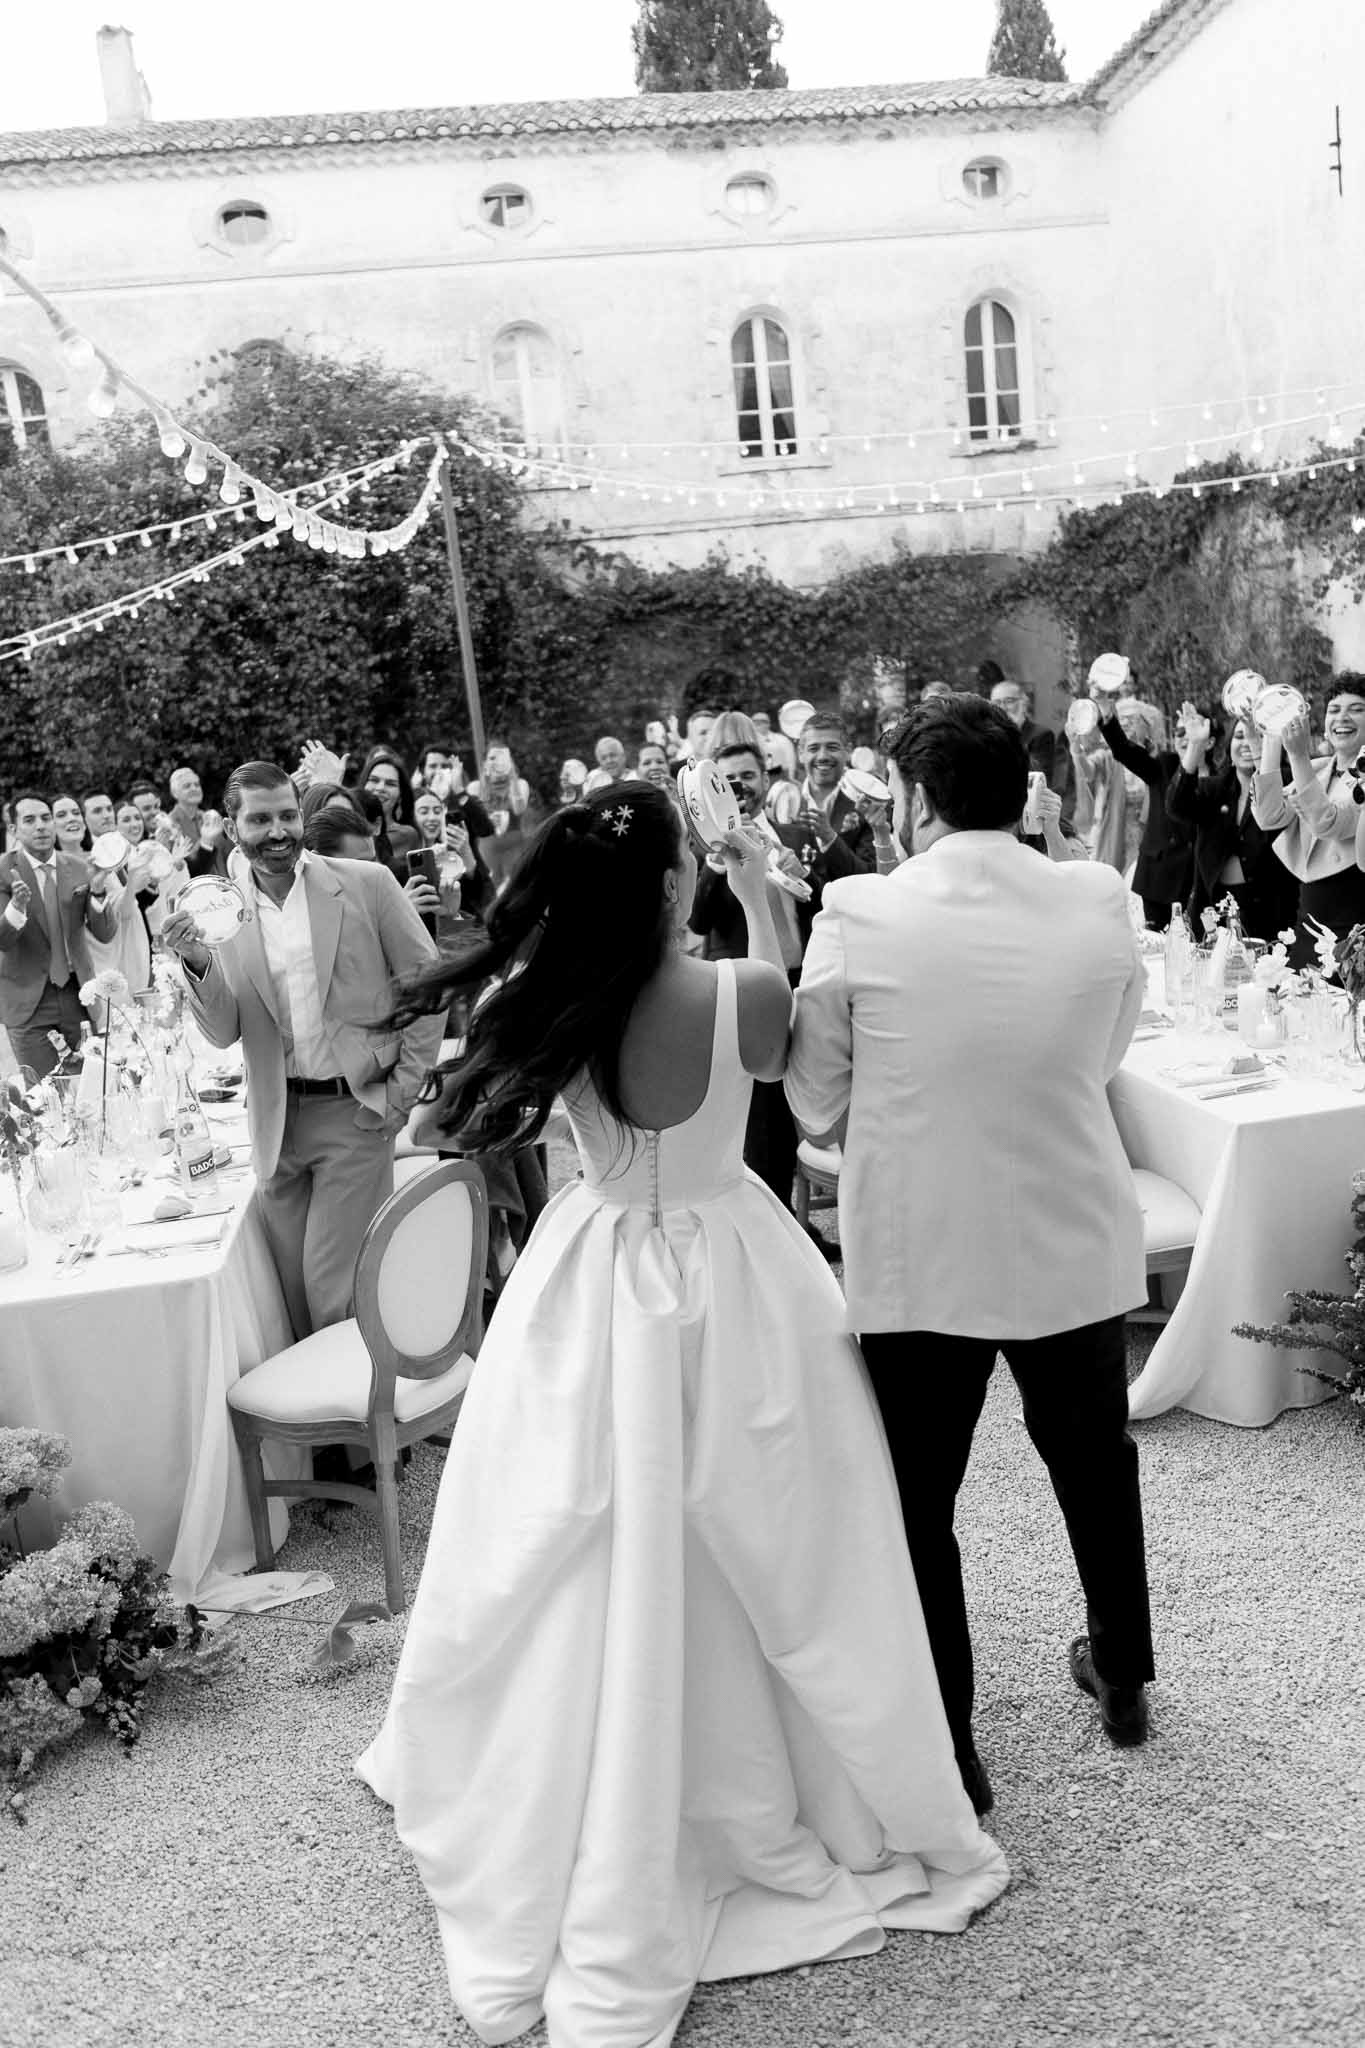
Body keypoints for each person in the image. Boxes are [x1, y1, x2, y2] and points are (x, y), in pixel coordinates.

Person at [354, 781, 1007, 2048]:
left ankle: (584, 1753)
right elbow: (793, 1063)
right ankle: (782, 1763)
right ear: (670, 882)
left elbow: (468, 1121)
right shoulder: (741, 990)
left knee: (578, 1516)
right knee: (786, 1523)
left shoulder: (540, 995)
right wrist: (758, 893)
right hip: (736, 1269)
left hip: (594, 1266)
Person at [786, 696, 1156, 1810]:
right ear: (1015, 794)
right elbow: (1103, 1054)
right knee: (1095, 1464)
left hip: (920, 1251)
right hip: (1067, 1230)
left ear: (915, 800)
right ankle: (1124, 1676)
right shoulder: (1099, 897)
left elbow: (812, 1097)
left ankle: (954, 1750)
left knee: (919, 1503)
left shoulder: (859, 908)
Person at [159, 762, 444, 1338]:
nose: (278, 831)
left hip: (355, 1112)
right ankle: (324, 1397)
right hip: (275, 1124)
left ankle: (363, 1395)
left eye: (288, 815)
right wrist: (195, 960)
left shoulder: (367, 884)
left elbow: (429, 988)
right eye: (260, 819)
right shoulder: (221, 911)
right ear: (232, 828)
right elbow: (224, 1032)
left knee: (331, 1290)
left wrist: (399, 1094)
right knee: (291, 1294)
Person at [690, 726, 859, 1224]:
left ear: (766, 778)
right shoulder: (708, 850)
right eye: (728, 780)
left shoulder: (795, 836)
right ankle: (770, 1224)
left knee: (800, 1107)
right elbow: (698, 921)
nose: (739, 786)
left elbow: (826, 905)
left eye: (748, 776)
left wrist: (805, 876)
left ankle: (799, 1227)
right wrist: (716, 865)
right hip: (744, 986)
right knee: (760, 1118)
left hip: (802, 978)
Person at [0, 791, 119, 1076]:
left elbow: (105, 933)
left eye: (45, 818)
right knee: (45, 1092)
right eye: (30, 820)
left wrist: (98, 891)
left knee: (91, 1087)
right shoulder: (3, 870)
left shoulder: (79, 867)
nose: (40, 826)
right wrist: (17, 907)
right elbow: (2, 940)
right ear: (14, 829)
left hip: (79, 995)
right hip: (28, 1003)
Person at [1252, 680, 1365, 966]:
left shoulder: (1313, 766)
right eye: (1334, 710)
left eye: (1356, 709)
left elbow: (1329, 823)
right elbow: (1269, 816)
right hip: (1308, 924)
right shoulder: (1318, 768)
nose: (1342, 717)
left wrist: (1298, 755)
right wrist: (1271, 734)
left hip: (1353, 928)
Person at [1167, 699, 1297, 942]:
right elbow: (1176, 806)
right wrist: (1195, 745)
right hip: (1213, 910)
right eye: (1239, 736)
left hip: (1270, 913)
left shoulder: (1288, 784)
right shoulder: (1214, 788)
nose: (1247, 742)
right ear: (1229, 746)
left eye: (1257, 736)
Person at [1087, 668, 1193, 928]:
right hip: (1158, 879)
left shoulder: (1219, 774)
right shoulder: (1164, 766)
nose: (1183, 737)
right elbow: (1123, 750)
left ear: (1209, 740)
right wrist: (1104, 706)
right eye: (1179, 732)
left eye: (1190, 731)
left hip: (1198, 881)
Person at [797, 712, 876, 873]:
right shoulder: (785, 800)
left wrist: (830, 839)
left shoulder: (867, 804)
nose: (823, 756)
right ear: (800, 754)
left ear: (848, 751)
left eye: (832, 747)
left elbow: (869, 873)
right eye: (813, 748)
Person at [357, 745, 420, 865]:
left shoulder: (407, 836)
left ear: (400, 794)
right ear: (363, 784)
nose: (380, 788)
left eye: (390, 784)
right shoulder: (345, 828)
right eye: (374, 780)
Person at [51, 793, 89, 858]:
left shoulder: (102, 856)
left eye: (76, 813)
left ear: (84, 824)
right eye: (61, 815)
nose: (72, 818)